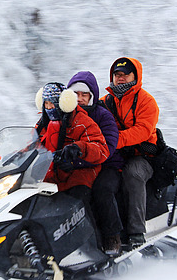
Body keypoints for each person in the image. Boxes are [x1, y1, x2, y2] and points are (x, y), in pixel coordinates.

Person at [100, 57, 160, 249]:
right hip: (114, 155)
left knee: (132, 174)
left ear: (136, 76)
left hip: (142, 156)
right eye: (117, 75)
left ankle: (136, 232)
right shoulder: (105, 102)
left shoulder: (147, 101)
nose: (121, 78)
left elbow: (143, 130)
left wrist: (114, 140)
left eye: (126, 74)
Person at [67, 71, 123, 256]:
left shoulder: (103, 116)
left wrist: (77, 156)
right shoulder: (63, 115)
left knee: (101, 189)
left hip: (108, 164)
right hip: (77, 165)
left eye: (85, 95)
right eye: (76, 94)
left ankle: (111, 237)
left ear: (92, 96)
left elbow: (108, 146)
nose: (80, 99)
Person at [34, 82, 110, 213]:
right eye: (46, 104)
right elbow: (32, 143)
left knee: (76, 201)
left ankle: (93, 232)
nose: (49, 107)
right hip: (50, 174)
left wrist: (79, 148)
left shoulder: (81, 121)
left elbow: (101, 149)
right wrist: (16, 155)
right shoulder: (43, 123)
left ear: (63, 102)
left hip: (79, 172)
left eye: (52, 103)